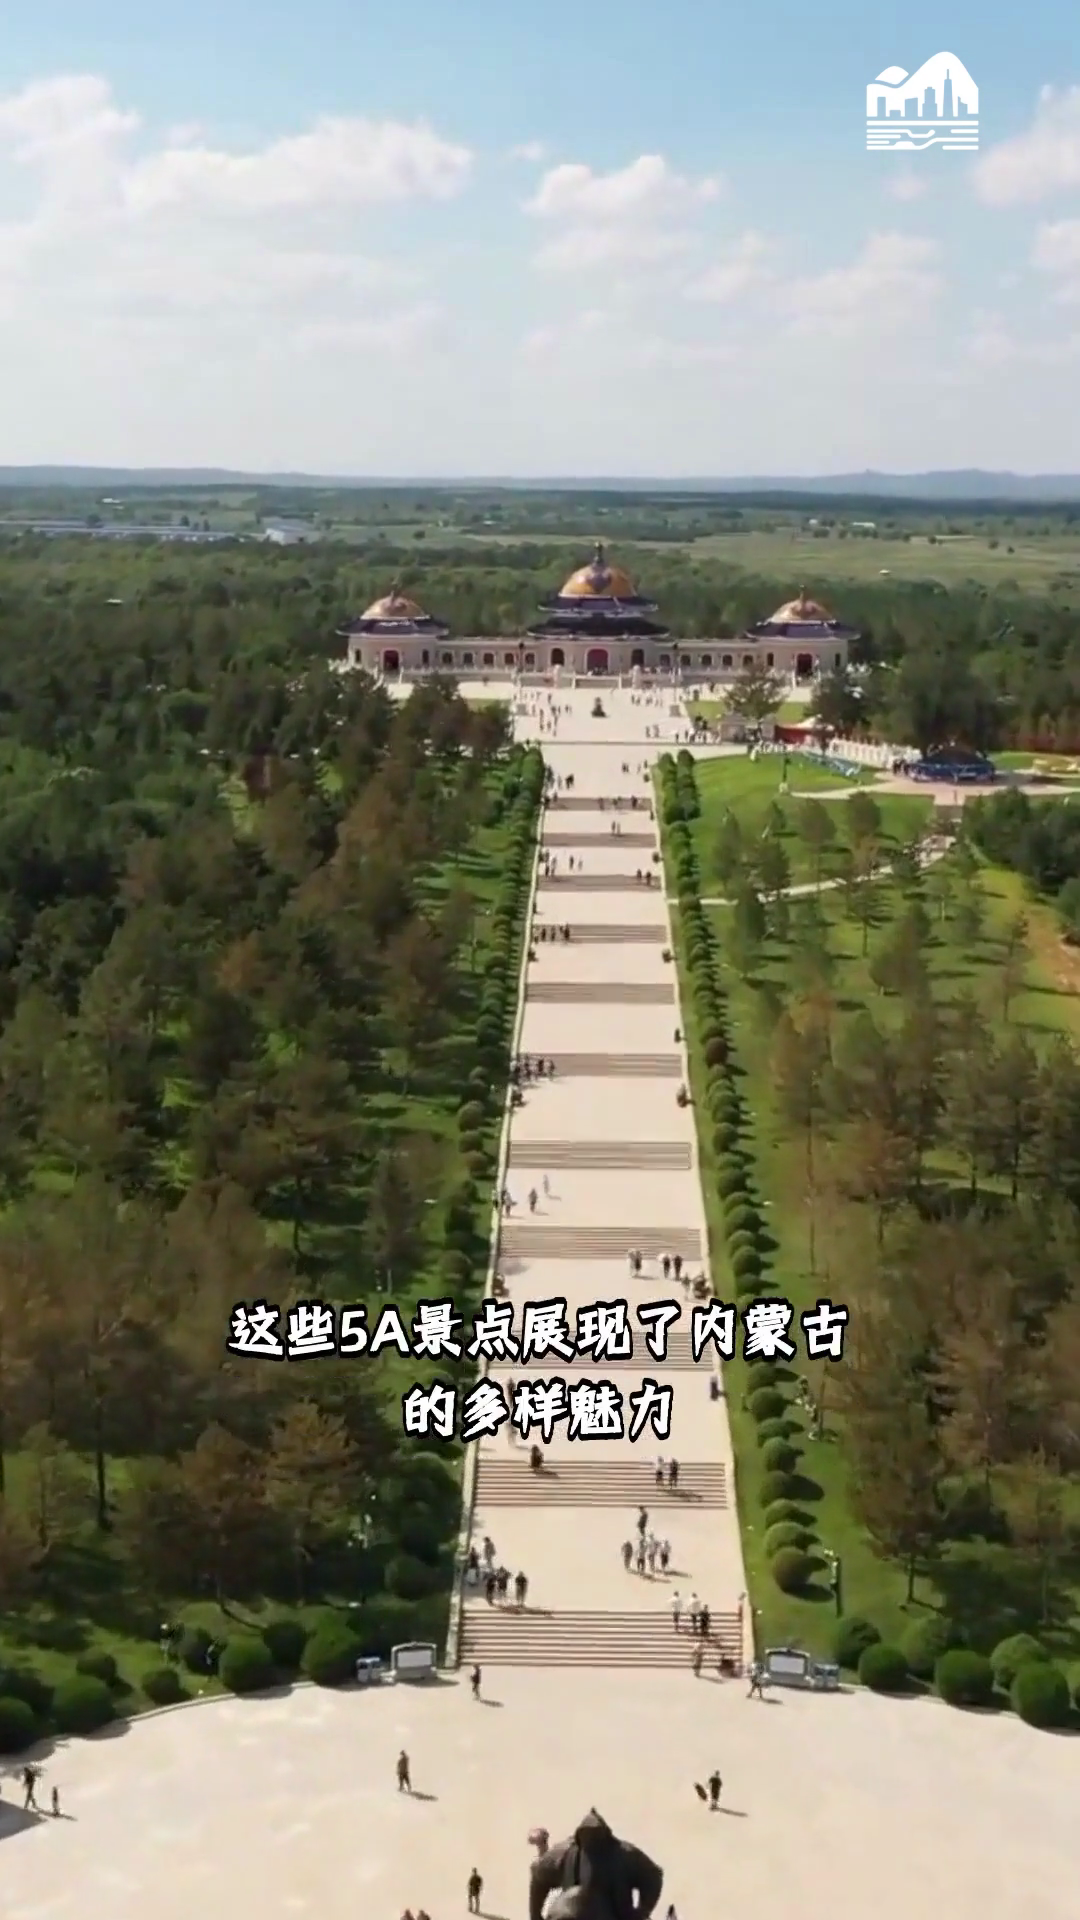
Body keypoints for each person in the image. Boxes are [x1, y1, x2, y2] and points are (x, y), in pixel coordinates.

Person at [529, 1808, 663, 1920]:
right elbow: (538, 1875)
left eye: (595, 1835)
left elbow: (653, 1876)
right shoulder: (564, 1854)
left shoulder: (625, 1855)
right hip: (571, 1913)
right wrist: (535, 1915)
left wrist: (641, 1912)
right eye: (587, 1835)